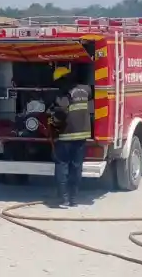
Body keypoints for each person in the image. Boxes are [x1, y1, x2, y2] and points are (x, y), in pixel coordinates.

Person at [50, 64, 91, 208]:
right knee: (76, 167)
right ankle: (74, 199)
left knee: (62, 165)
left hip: (66, 135)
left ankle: (64, 200)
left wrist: (54, 122)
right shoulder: (85, 89)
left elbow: (61, 111)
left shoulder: (64, 93)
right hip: (82, 135)